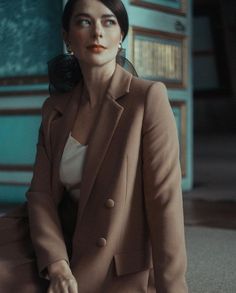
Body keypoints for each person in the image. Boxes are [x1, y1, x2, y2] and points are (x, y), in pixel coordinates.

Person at [0, 0, 188, 292]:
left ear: (121, 35)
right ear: (67, 36)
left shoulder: (148, 98)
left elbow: (165, 202)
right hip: (60, 238)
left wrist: (173, 287)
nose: (97, 32)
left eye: (109, 22)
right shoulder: (55, 109)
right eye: (84, 22)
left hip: (112, 256)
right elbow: (41, 195)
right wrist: (57, 262)